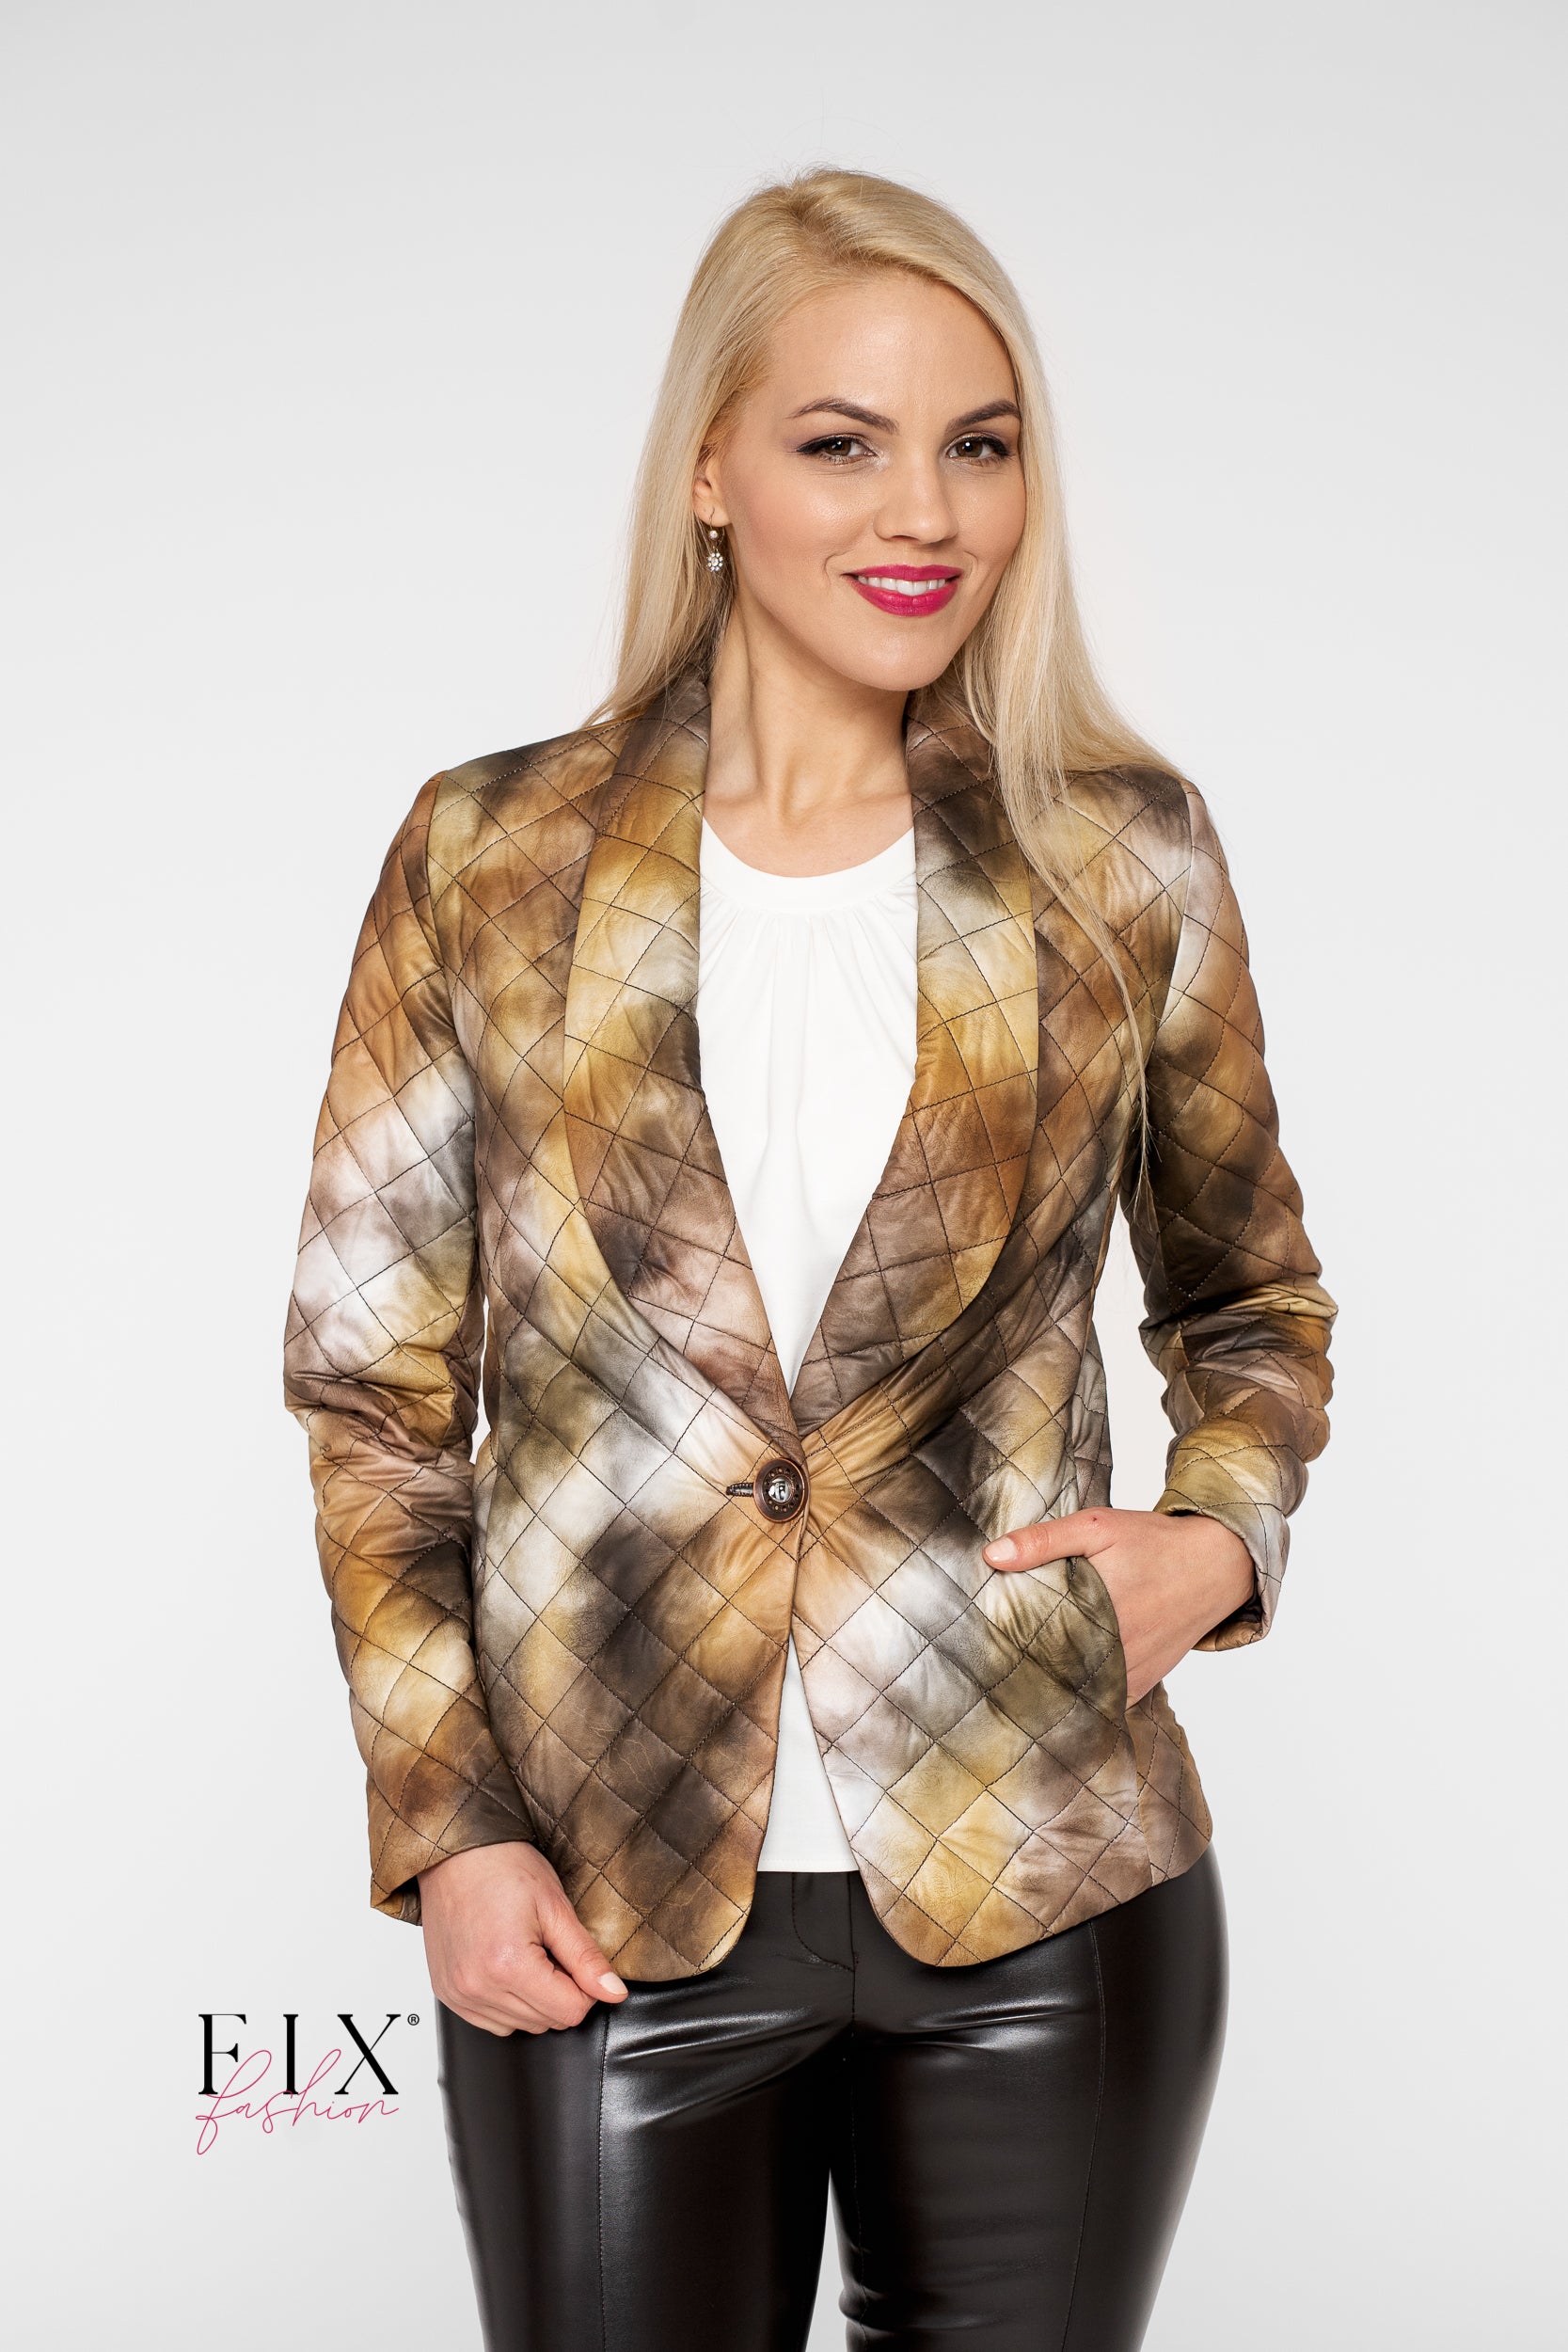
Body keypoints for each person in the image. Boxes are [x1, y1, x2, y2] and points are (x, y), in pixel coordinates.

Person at [283, 167, 1336, 2352]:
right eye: (843, 441)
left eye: (980, 441)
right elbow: (375, 1396)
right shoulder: (489, 858)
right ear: (712, 472)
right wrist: (451, 1824)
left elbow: (1248, 1298)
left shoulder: (1119, 856)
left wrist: (1217, 1540)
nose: (924, 509)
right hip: (605, 1890)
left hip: (1048, 1867)